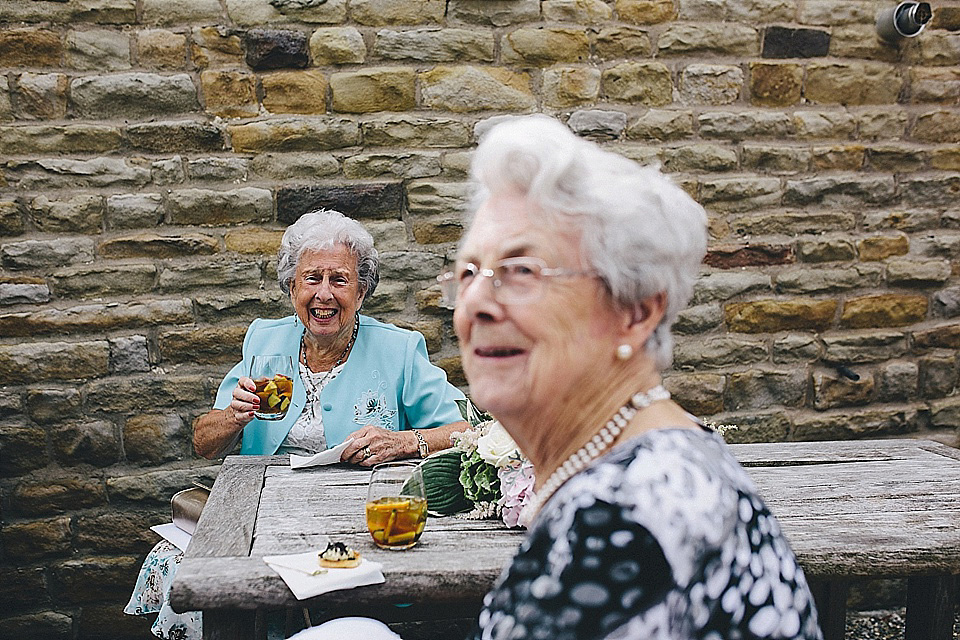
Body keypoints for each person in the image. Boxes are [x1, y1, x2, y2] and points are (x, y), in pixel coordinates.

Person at [291, 115, 822, 640]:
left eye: (522, 271)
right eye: (469, 273)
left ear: (635, 312)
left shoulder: (622, 520)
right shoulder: (661, 453)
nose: (476, 301)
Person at [127, 209, 468, 640]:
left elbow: (467, 430)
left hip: (352, 520)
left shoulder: (398, 349)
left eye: (339, 280)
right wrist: (234, 417)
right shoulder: (264, 341)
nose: (324, 294)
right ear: (292, 287)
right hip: (261, 517)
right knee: (192, 573)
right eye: (312, 278)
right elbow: (204, 442)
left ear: (362, 291)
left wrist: (404, 441)